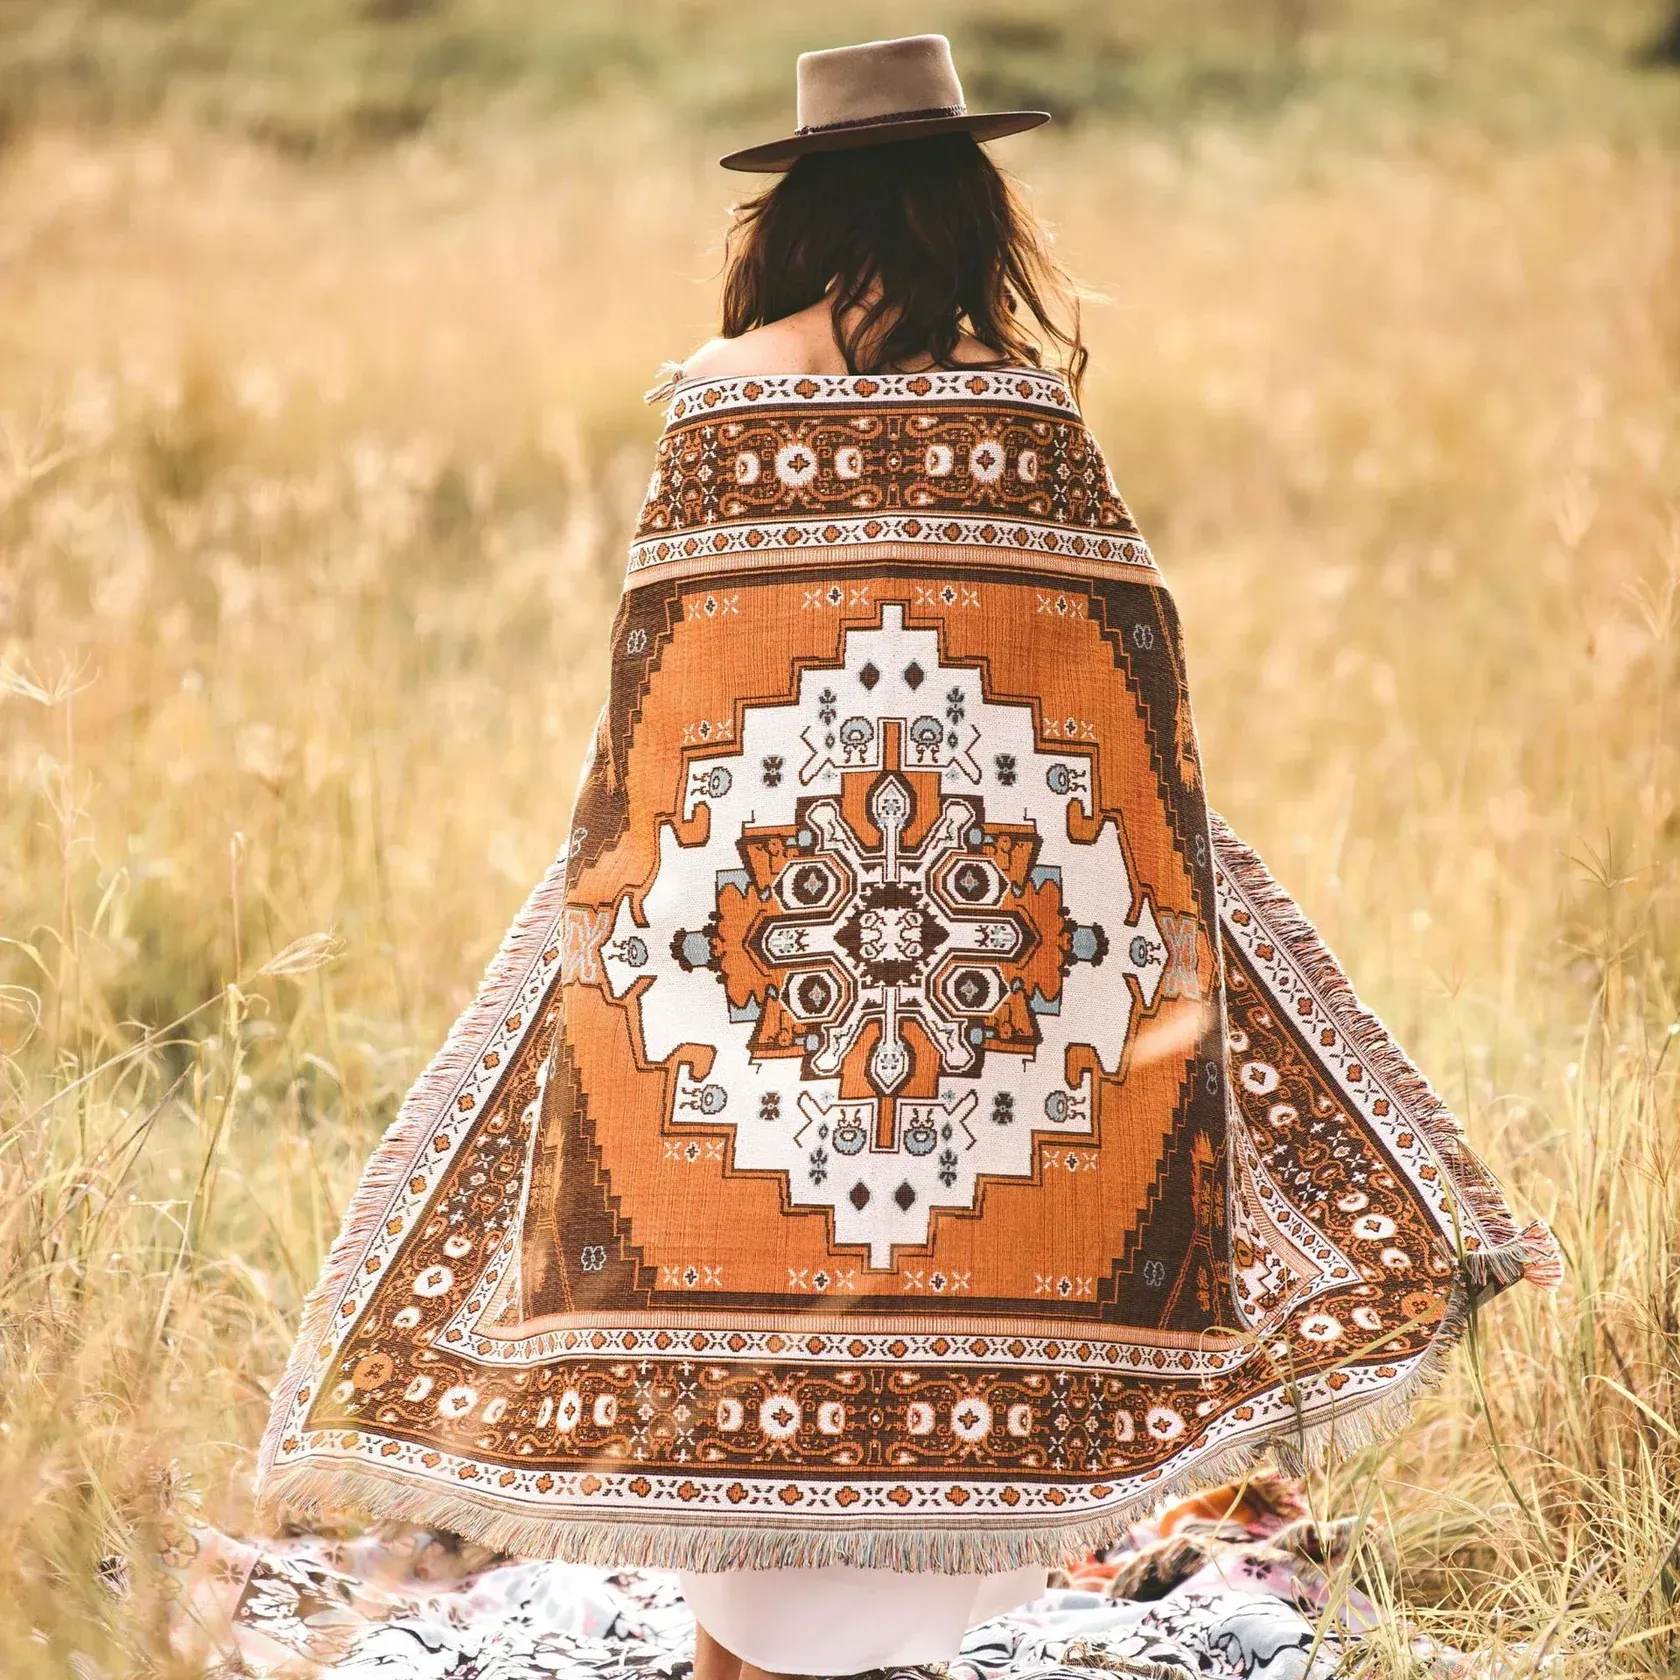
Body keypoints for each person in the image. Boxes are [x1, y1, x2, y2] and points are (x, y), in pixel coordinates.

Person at [256, 33, 1558, 1680]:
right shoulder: (1018, 410)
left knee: (755, 1252)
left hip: (752, 948)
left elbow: (663, 708)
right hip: (972, 965)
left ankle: (754, 1654)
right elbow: (1122, 680)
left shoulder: (720, 395)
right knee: (934, 1258)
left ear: (800, 211)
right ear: (961, 208)